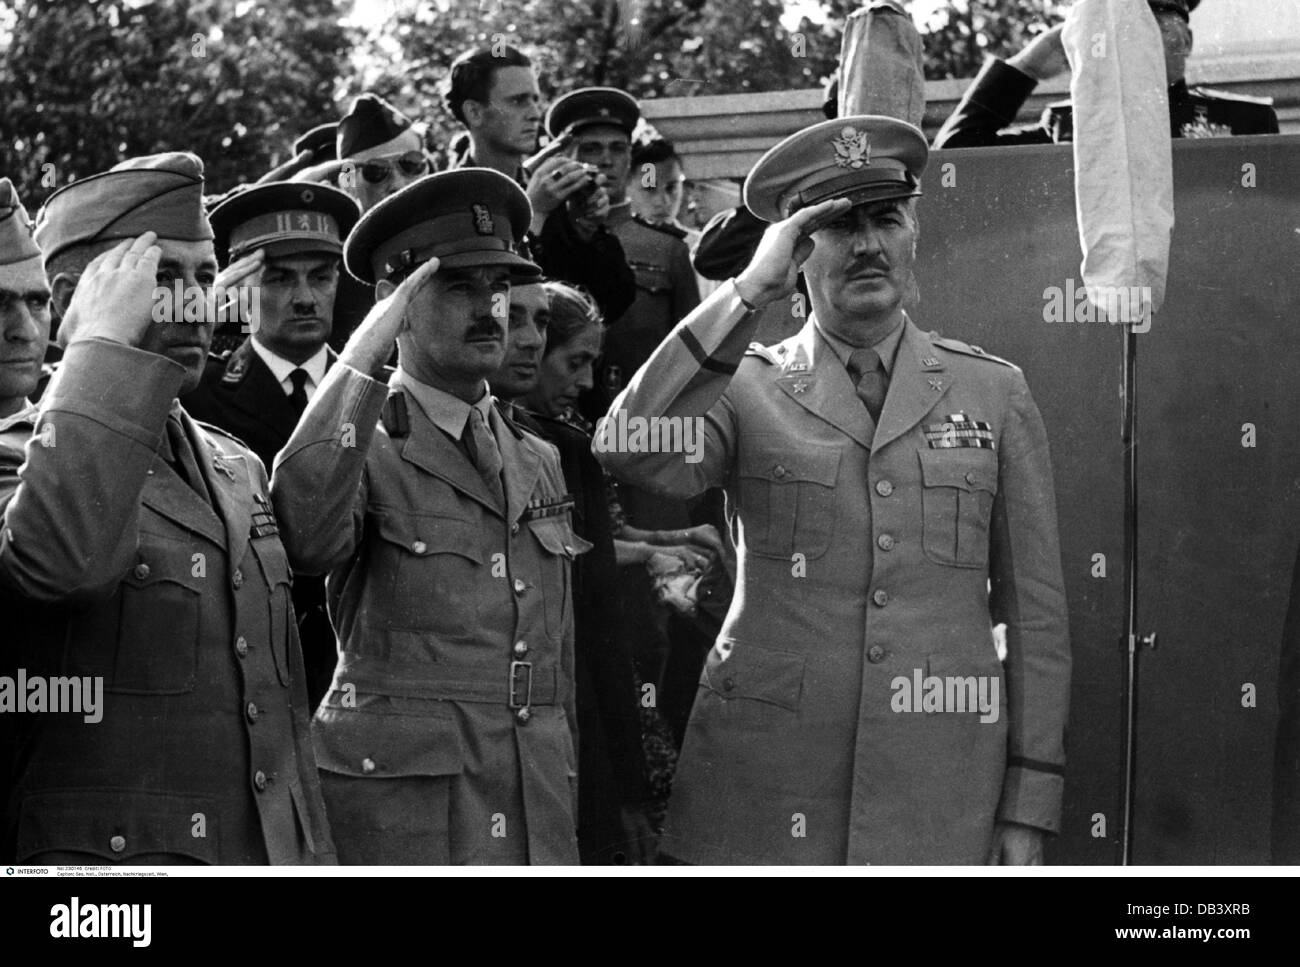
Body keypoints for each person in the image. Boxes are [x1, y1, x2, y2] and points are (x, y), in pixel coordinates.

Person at [594, 116, 1071, 864]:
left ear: (914, 231)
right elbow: (629, 447)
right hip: (762, 788)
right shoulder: (741, 385)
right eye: (837, 225)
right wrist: (745, 291)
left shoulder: (993, 389)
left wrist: (1029, 806)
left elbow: (1035, 614)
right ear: (795, 247)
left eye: (886, 218)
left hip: (938, 789)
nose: (868, 244)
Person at [2, 153, 334, 865]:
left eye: (206, 279)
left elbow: (278, 726)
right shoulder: (19, 456)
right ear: (71, 296)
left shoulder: (236, 464)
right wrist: (97, 344)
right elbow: (67, 565)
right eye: (163, 278)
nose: (197, 305)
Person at [270, 168, 585, 865]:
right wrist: (363, 353)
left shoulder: (537, 457)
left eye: (498, 289)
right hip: (407, 812)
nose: (488, 310)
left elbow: (556, 662)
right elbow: (304, 532)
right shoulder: (364, 444)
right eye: (457, 287)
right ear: (397, 304)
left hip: (535, 797)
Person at [489, 279, 655, 864]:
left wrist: (628, 792)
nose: (585, 383)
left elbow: (602, 630)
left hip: (571, 748)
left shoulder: (566, 452)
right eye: (576, 361)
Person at [182, 180, 361, 709]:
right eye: (279, 280)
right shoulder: (199, 395)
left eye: (321, 277)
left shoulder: (380, 396)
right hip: (246, 674)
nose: (305, 298)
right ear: (240, 287)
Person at [443, 45, 635, 324]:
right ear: (474, 112)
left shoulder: (550, 191)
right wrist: (534, 216)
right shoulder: (445, 200)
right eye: (518, 101)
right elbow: (486, 309)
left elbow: (613, 304)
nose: (535, 113)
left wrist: (586, 232)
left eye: (535, 99)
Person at [934, 0, 1278, 148]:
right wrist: (1030, 65)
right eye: (1121, 28)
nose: (1134, 39)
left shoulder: (1248, 120)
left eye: (1151, 25)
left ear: (1186, 41)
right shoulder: (1065, 124)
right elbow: (955, 157)